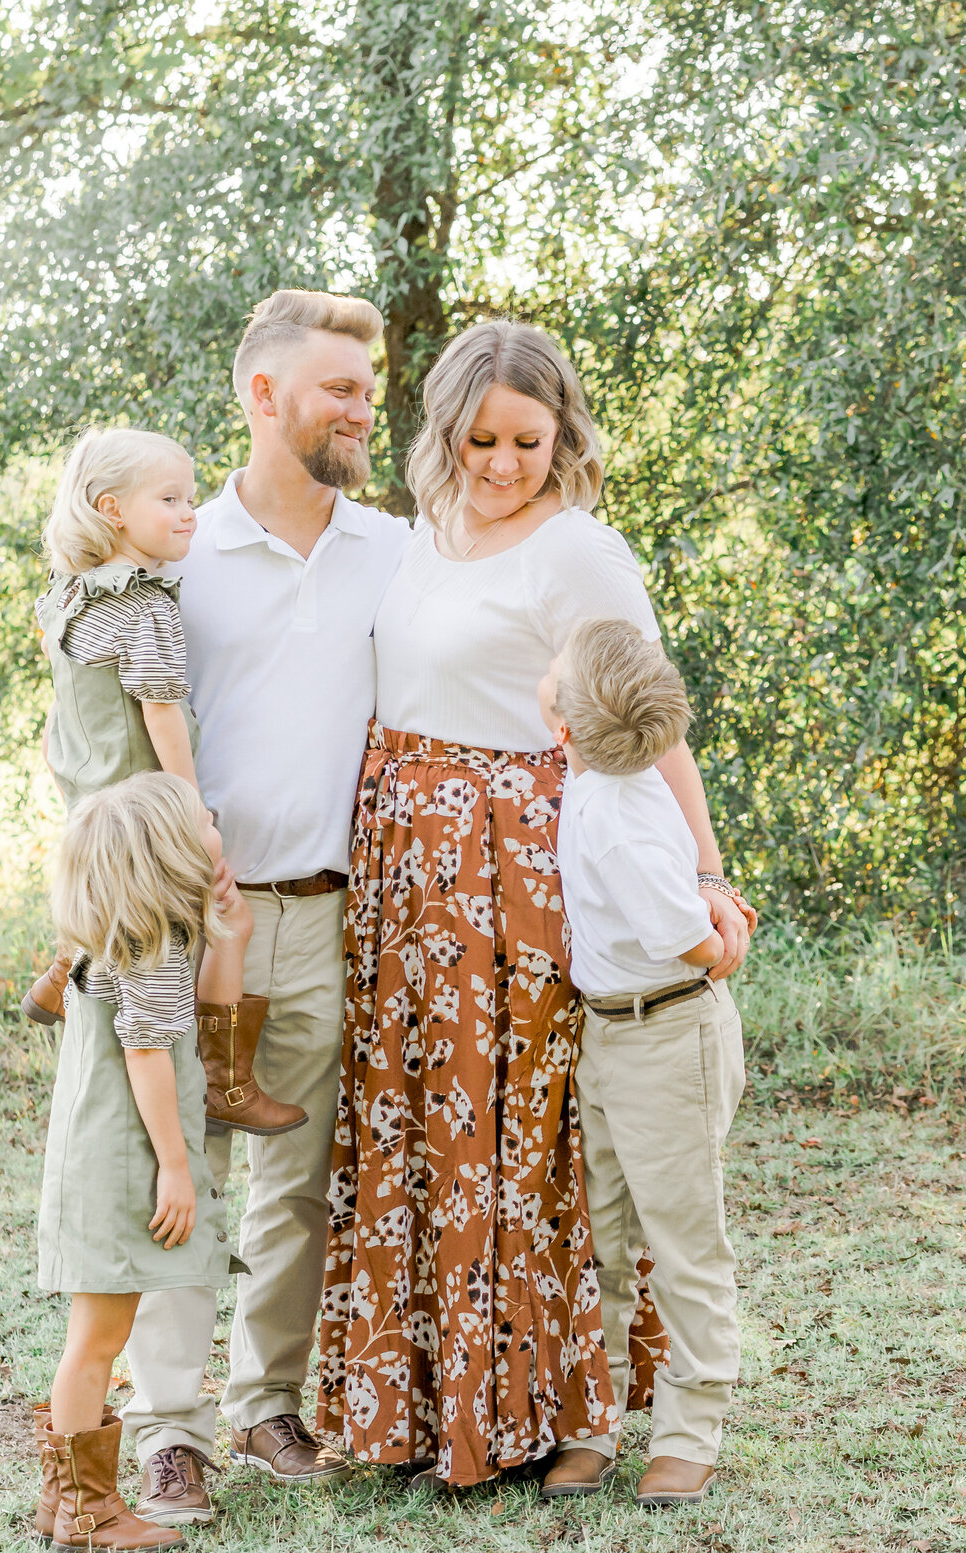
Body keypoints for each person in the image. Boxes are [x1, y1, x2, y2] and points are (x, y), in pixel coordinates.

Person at [317, 319, 754, 1491]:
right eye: (480, 437)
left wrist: (706, 871)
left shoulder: (580, 552)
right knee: (429, 1132)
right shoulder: (414, 539)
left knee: (528, 1140)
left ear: (563, 434)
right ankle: (427, 1403)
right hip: (408, 875)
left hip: (522, 875)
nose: (502, 462)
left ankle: (565, 1410)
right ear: (444, 428)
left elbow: (649, 720)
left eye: (528, 438)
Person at [120, 290, 412, 1528]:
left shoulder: (394, 550)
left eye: (366, 386)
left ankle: (265, 1399)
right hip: (194, 919)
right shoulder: (177, 560)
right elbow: (103, 727)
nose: (362, 407)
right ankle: (168, 1428)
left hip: (336, 907)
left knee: (298, 1175)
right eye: (338, 386)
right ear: (263, 395)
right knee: (178, 1167)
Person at [26, 426, 305, 1138]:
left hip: (91, 807)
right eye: (171, 498)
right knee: (220, 923)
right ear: (111, 507)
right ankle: (226, 1082)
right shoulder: (145, 606)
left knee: (133, 926)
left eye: (190, 495)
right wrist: (195, 812)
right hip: (147, 817)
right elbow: (161, 711)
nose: (191, 511)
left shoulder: (67, 593)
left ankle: (65, 967)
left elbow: (69, 702)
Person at [538, 618, 745, 1507]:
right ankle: (593, 1425)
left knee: (684, 1241)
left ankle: (690, 1432)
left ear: (565, 729)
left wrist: (722, 936)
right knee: (603, 1242)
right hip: (607, 1034)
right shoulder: (604, 775)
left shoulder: (617, 810)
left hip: (669, 1038)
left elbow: (683, 938)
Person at [34, 772, 241, 1551]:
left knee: (94, 1337)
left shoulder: (119, 932)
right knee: (97, 1338)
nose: (217, 821)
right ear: (172, 852)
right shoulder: (151, 947)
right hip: (124, 1163)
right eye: (206, 819)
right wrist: (177, 1165)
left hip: (96, 1160)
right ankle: (89, 1512)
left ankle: (66, 1502)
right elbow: (149, 1052)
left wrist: (232, 930)